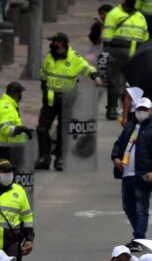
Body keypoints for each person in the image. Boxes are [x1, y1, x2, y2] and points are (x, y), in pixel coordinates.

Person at [36, 32, 103, 170]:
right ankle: (44, 156)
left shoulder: (74, 57)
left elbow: (86, 68)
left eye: (54, 41)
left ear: (60, 43)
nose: (51, 44)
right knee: (42, 128)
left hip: (67, 100)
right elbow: (44, 73)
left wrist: (95, 76)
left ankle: (60, 158)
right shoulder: (49, 56)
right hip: (49, 100)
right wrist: (43, 87)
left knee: (63, 130)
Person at [111, 98, 152, 246]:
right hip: (127, 173)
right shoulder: (130, 127)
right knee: (128, 207)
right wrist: (115, 157)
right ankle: (139, 233)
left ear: (151, 111)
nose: (141, 112)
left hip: (143, 174)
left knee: (141, 207)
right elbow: (119, 143)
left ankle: (139, 238)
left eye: (145, 109)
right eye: (139, 109)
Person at [102, 0, 149, 119]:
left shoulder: (140, 16)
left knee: (133, 84)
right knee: (115, 81)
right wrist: (107, 54)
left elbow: (145, 37)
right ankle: (112, 108)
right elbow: (107, 36)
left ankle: (129, 109)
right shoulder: (114, 14)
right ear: (123, 0)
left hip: (135, 55)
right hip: (117, 53)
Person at [0, 82, 30, 163]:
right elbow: (5, 129)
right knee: (6, 175)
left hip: (4, 149)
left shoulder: (5, 104)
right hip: (5, 150)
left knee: (6, 175)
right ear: (15, 94)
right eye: (20, 94)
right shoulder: (7, 108)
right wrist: (21, 129)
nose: (21, 96)